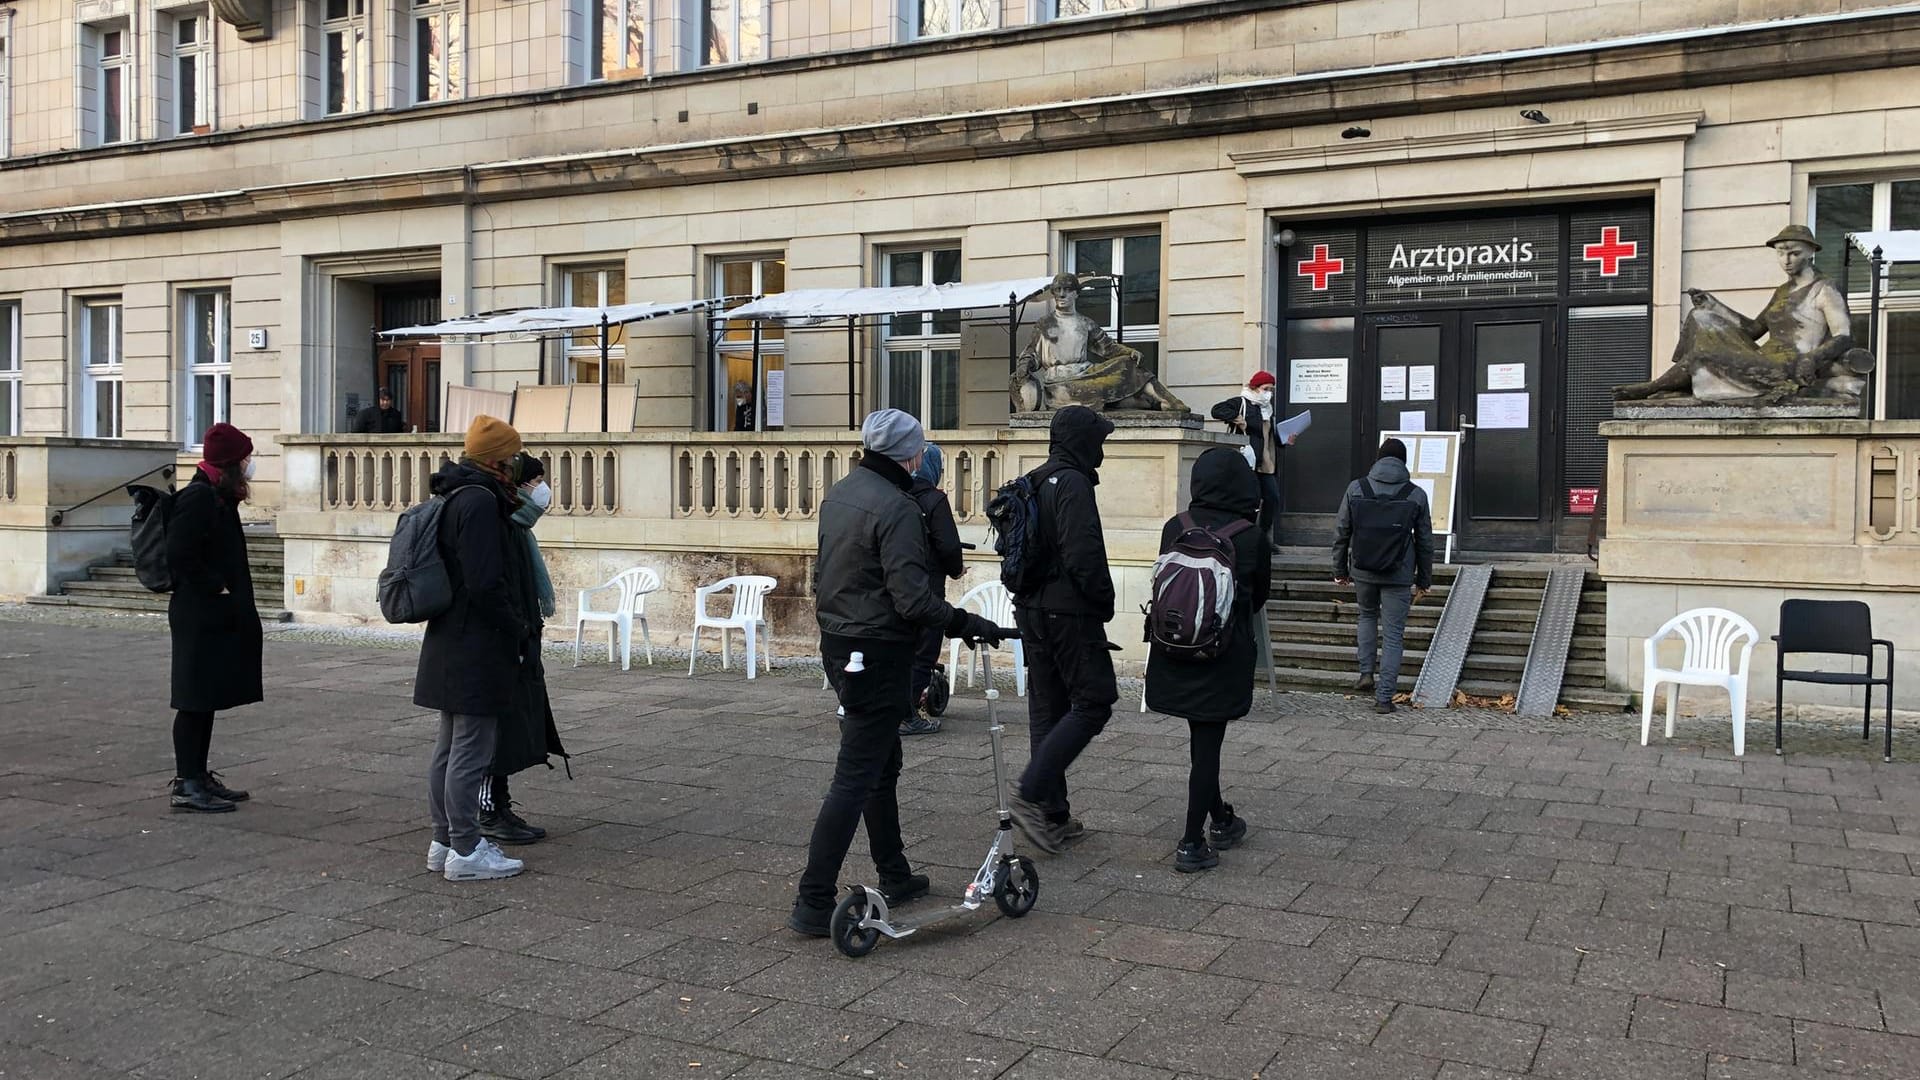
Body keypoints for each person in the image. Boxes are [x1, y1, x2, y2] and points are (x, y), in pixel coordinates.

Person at [791, 408, 1006, 937]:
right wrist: (967, 621)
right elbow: (913, 599)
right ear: (910, 455)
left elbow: (830, 574)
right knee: (855, 776)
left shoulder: (840, 493)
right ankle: (813, 901)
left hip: (841, 645)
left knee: (880, 765)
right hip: (879, 651)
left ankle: (895, 872)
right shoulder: (898, 506)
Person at [416, 415, 539, 882]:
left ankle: (443, 840)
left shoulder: (454, 494)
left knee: (448, 747)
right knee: (470, 748)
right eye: (512, 455)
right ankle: (465, 851)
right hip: (477, 641)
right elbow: (487, 582)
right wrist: (519, 628)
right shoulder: (482, 502)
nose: (516, 462)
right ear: (497, 460)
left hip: (449, 634)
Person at [1144, 448, 1269, 872]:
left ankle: (1222, 816)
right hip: (1222, 653)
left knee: (1202, 747)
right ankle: (1192, 841)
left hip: (1173, 649)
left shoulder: (1173, 528)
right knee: (1207, 747)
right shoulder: (1249, 535)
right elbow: (1258, 598)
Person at [1007, 404, 1119, 855]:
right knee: (1095, 702)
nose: (1103, 453)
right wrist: (1104, 602)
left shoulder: (1033, 479)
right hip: (1067, 612)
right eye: (1099, 442)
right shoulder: (1072, 483)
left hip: (1031, 608)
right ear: (1081, 442)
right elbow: (1083, 553)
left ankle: (1052, 815)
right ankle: (1031, 794)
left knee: (1048, 706)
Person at [165, 423, 264, 813]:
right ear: (231, 463)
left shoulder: (217, 496)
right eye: (245, 459)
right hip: (198, 613)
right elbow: (179, 553)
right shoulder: (199, 498)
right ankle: (186, 782)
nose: (250, 465)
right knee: (193, 698)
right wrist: (216, 586)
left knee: (206, 698)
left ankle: (198, 775)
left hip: (210, 613)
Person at [477, 452, 568, 846]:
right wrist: (517, 632)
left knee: (510, 726)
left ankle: (498, 803)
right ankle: (486, 809)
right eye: (536, 482)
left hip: (520, 636)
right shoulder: (505, 526)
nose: (542, 490)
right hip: (501, 642)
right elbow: (494, 588)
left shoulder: (519, 527)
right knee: (486, 732)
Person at [1332, 438, 1434, 715]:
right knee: (1393, 635)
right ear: (1403, 462)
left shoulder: (1357, 487)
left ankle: (1366, 673)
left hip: (1363, 569)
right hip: (1399, 573)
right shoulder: (1415, 494)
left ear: (1377, 459)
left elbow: (1342, 531)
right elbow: (1425, 541)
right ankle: (1384, 698)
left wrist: (1340, 570)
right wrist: (1424, 580)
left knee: (1366, 615)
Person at [1010, 273, 1187, 413]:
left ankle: (1169, 402)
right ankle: (1149, 404)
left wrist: (1129, 351)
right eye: (1057, 290)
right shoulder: (1044, 324)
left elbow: (1108, 347)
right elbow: (1031, 353)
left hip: (1087, 372)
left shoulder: (1084, 322)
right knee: (1099, 391)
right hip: (1061, 384)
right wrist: (1024, 366)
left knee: (1130, 363)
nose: (1061, 294)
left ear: (1076, 293)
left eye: (1067, 289)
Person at [903, 442, 964, 737]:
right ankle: (909, 713)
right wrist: (956, 569)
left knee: (903, 649)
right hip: (928, 586)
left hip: (898, 585)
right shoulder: (933, 499)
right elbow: (949, 546)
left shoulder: (897, 493)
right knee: (925, 651)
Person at [1210, 370, 1293, 544]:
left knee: (1272, 498)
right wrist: (1235, 417)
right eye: (1266, 388)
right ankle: (1245, 537)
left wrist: (1284, 439)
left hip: (1266, 463)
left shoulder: (1268, 410)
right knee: (1249, 501)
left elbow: (1268, 435)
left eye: (1271, 389)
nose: (1269, 392)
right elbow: (1216, 410)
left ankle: (1262, 538)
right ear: (1255, 388)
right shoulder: (1242, 402)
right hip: (1248, 461)